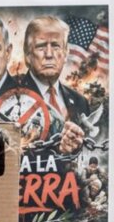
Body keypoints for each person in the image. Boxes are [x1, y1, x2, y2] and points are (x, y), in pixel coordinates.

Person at [14, 16, 91, 154]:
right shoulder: (7, 94)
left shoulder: (81, 102)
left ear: (66, 53)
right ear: (27, 55)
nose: (49, 54)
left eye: (55, 46)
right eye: (41, 46)